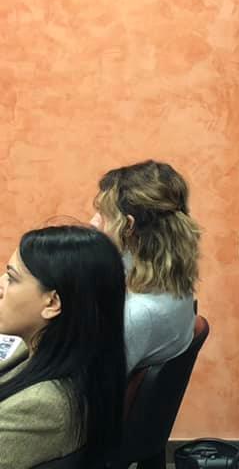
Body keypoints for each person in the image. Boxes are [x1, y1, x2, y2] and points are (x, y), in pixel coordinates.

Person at [0, 224, 127, 468]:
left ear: (52, 303)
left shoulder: (41, 407)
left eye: (12, 278)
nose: (1, 285)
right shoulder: (58, 356)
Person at [92, 159, 200, 371]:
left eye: (103, 214)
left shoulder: (139, 314)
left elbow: (88, 386)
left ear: (128, 226)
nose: (93, 222)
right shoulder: (169, 278)